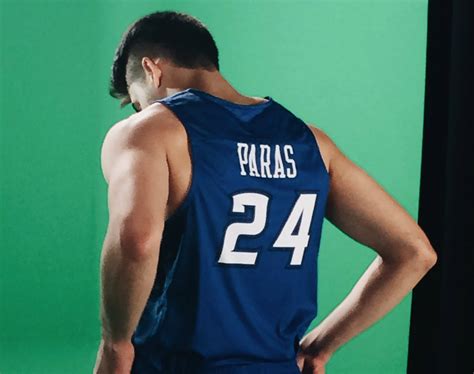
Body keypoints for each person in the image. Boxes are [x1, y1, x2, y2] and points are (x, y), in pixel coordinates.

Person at [93, 10, 437, 374]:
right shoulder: (313, 143)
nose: (140, 110)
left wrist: (115, 345)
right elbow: (414, 252)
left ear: (152, 69)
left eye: (135, 101)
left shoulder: (148, 130)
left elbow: (137, 241)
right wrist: (320, 348)